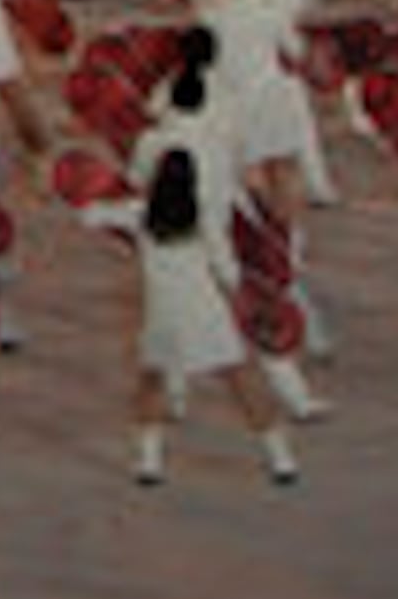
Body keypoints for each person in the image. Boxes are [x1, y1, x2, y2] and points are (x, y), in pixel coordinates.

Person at [110, 146, 299, 486]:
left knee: (151, 383)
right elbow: (226, 271)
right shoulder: (205, 217)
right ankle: (280, 458)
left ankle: (149, 463)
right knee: (242, 382)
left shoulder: (138, 214)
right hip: (205, 312)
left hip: (163, 315)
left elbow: (92, 214)